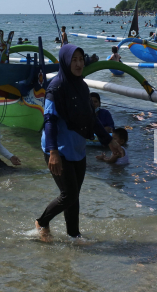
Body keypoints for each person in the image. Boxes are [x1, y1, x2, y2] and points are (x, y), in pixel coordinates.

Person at [35, 45, 123, 241]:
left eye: (81, 59)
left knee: (74, 196)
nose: (78, 64)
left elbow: (92, 119)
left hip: (78, 148)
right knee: (68, 194)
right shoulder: (55, 88)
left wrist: (109, 141)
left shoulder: (82, 87)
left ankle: (74, 236)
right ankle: (41, 222)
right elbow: (49, 120)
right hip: (58, 150)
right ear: (66, 61)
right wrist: (53, 152)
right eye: (73, 60)